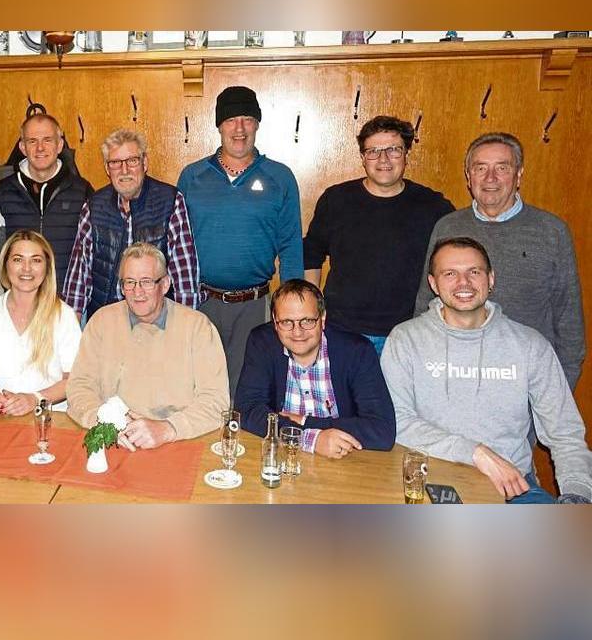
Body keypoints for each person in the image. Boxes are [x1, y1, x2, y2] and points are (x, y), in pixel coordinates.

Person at [384, 237, 592, 503]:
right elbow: (398, 421)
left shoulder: (530, 345)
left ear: (491, 279)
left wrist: (578, 494)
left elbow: (566, 434)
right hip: (430, 481)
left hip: (512, 486)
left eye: (474, 272)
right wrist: (476, 453)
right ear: (433, 284)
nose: (464, 283)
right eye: (450, 273)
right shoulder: (405, 339)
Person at [415, 132, 585, 389]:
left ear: (518, 175)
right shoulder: (448, 227)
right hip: (456, 376)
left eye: (502, 168)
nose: (490, 178)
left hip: (527, 380)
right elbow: (425, 304)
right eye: (480, 168)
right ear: (468, 176)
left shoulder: (551, 231)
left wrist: (557, 390)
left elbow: (568, 319)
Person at [178, 86, 303, 396]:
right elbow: (176, 241)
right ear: (219, 125)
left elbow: (290, 245)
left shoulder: (280, 177)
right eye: (232, 120)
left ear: (257, 124)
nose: (239, 128)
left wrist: (292, 306)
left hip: (255, 305)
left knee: (247, 392)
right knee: (199, 388)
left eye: (247, 119)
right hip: (201, 303)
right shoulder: (192, 177)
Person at [304, 115, 454, 354]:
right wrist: (312, 310)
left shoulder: (433, 206)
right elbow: (311, 254)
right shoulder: (336, 200)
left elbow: (453, 264)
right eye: (373, 151)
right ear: (363, 157)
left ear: (406, 154)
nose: (383, 159)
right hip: (343, 330)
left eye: (394, 149)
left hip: (408, 334)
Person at [66, 243, 228, 449]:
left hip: (178, 443)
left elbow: (215, 401)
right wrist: (105, 424)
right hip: (112, 440)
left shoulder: (197, 327)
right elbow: (79, 387)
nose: (137, 292)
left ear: (165, 284)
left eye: (147, 282)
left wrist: (168, 429)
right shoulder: (102, 321)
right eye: (129, 282)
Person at [236, 279, 396, 457]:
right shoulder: (262, 343)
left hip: (343, 459)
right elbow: (247, 409)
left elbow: (383, 430)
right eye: (287, 322)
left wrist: (306, 421)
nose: (297, 332)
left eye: (307, 321)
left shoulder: (357, 352)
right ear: (275, 322)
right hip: (282, 454)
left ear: (323, 318)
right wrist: (309, 439)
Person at [63, 128, 200, 318]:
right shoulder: (94, 207)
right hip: (107, 321)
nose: (124, 170)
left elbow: (185, 280)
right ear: (107, 168)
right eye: (116, 163)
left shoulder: (170, 202)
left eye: (132, 161)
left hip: (157, 321)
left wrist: (184, 331)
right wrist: (71, 331)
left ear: (145, 163)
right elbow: (78, 281)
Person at [0, 230, 82, 415]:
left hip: (50, 419)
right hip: (2, 417)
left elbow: (74, 379)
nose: (26, 268)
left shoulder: (64, 315)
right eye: (18, 259)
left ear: (47, 267)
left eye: (36, 260)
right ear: (5, 265)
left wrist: (35, 399)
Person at [0, 113, 93, 291]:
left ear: (59, 145)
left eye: (47, 140)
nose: (40, 148)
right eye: (32, 141)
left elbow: (89, 252)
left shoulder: (82, 191)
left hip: (67, 301)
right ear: (22, 147)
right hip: (21, 300)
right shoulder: (3, 191)